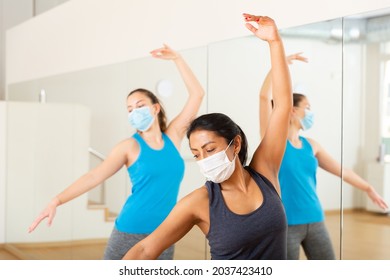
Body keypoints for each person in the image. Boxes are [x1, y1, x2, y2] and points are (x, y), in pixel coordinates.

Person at [121, 14, 292, 260]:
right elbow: (145, 249)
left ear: (235, 143)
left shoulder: (265, 172)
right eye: (196, 154)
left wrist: (274, 42)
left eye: (210, 149)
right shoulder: (200, 202)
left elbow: (283, 105)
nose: (204, 159)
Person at [27, 44, 205, 260]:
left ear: (155, 108)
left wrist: (177, 59)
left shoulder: (173, 136)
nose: (134, 112)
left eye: (140, 105)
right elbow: (94, 176)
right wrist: (57, 200)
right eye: (130, 109)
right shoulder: (129, 146)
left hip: (165, 231)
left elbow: (197, 94)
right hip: (130, 229)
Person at [259, 54, 389, 260]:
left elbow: (343, 171)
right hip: (285, 224)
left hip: (315, 219)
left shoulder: (311, 146)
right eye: (307, 108)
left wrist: (368, 188)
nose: (311, 112)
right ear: (292, 111)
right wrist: (278, 64)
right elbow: (264, 98)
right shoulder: (273, 142)